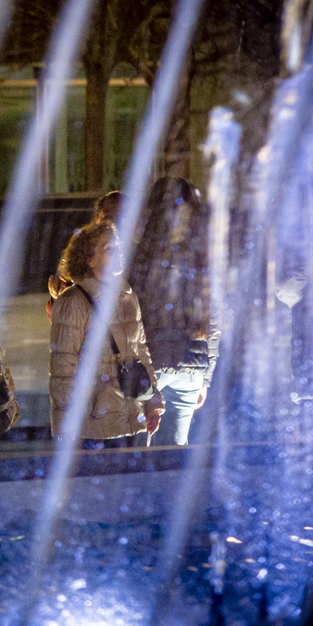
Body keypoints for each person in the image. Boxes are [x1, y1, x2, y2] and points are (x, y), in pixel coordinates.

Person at [49, 222, 163, 448]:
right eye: (110, 248)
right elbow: (62, 368)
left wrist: (153, 403)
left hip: (132, 417)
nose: (119, 253)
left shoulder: (128, 296)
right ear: (89, 259)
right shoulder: (73, 301)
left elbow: (141, 353)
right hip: (93, 424)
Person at [128, 177, 219, 446]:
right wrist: (205, 379)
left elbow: (130, 315)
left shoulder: (141, 254)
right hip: (192, 365)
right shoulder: (202, 257)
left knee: (139, 451)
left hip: (151, 363)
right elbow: (214, 322)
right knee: (176, 453)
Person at [48, 191, 125, 313]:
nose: (114, 224)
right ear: (96, 220)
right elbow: (59, 308)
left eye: (123, 218)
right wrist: (58, 297)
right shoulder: (80, 253)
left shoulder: (141, 255)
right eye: (109, 218)